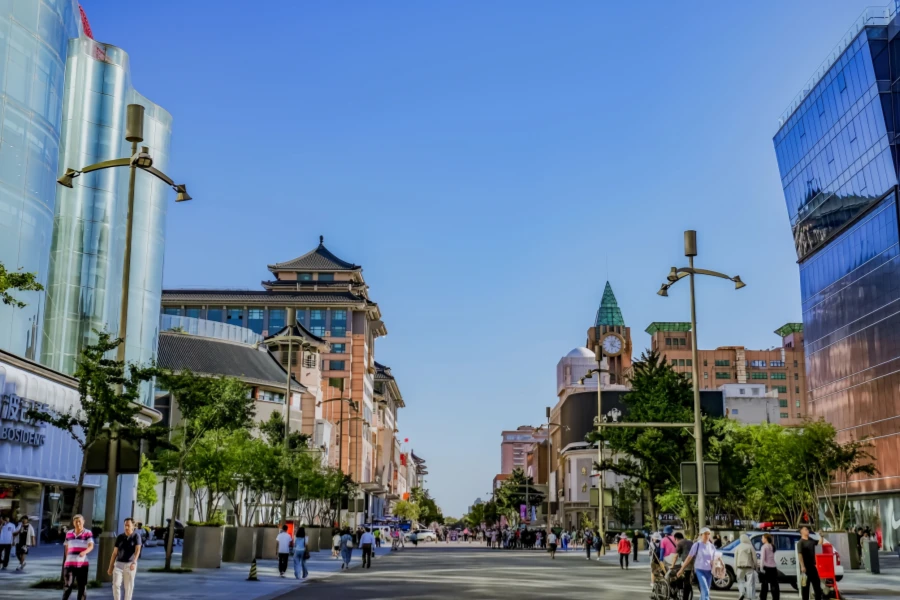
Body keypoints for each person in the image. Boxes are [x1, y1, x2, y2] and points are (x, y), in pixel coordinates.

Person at [677, 527, 718, 600]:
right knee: (705, 590)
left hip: (709, 571)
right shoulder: (697, 545)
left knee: (705, 591)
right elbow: (689, 557)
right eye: (705, 534)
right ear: (701, 535)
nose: (707, 536)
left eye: (708, 534)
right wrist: (682, 569)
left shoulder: (711, 546)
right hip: (699, 570)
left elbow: (715, 558)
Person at [108, 518, 142, 600]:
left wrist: (134, 562)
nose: (126, 527)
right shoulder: (120, 537)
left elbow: (137, 550)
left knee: (128, 587)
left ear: (133, 526)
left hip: (130, 564)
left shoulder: (136, 536)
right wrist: (110, 567)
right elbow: (115, 553)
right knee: (116, 584)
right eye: (125, 525)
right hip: (118, 564)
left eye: (128, 525)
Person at [63, 514, 94, 600]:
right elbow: (66, 547)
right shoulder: (69, 533)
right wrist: (67, 559)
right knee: (67, 586)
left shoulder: (88, 533)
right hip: (69, 565)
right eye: (76, 522)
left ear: (83, 522)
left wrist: (84, 552)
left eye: (80, 521)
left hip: (82, 565)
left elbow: (91, 546)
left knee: (82, 587)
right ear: (73, 523)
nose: (78, 523)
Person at [798, 526, 823, 600]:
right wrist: (802, 566)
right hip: (804, 568)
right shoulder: (800, 542)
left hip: (812, 566)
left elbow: (819, 544)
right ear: (802, 532)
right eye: (805, 529)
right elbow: (800, 554)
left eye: (807, 529)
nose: (807, 530)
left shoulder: (811, 540)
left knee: (817, 585)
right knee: (805, 587)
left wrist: (821, 536)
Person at [735, 533, 759, 600]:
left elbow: (735, 559)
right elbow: (754, 558)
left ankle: (742, 593)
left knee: (740, 581)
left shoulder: (737, 547)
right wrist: (756, 567)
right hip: (749, 567)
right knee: (750, 582)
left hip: (740, 567)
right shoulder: (750, 547)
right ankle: (750, 596)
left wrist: (735, 569)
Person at [760, 533, 780, 600]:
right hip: (773, 567)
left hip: (766, 567)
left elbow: (762, 558)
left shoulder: (764, 547)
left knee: (764, 585)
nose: (761, 539)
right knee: (774, 585)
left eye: (762, 538)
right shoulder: (772, 546)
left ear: (765, 539)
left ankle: (763, 598)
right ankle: (776, 598)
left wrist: (761, 568)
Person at [675, 532, 694, 600]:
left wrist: (672, 565)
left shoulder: (679, 543)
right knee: (687, 580)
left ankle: (679, 590)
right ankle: (685, 597)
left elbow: (676, 555)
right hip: (693, 563)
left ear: (676, 539)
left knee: (678, 575)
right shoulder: (690, 542)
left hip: (686, 563)